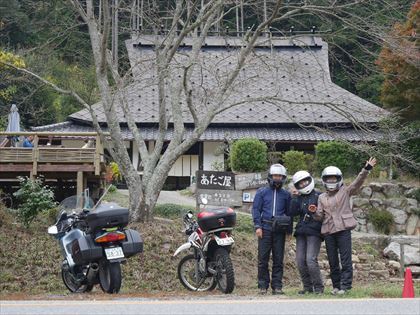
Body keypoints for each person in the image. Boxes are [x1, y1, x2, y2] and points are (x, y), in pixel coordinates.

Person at [312, 157, 377, 295]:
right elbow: (319, 216)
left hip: (343, 230)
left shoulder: (345, 191)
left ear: (339, 179)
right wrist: (313, 212)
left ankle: (345, 286)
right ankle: (336, 286)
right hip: (328, 231)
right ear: (324, 180)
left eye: (334, 178)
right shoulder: (321, 197)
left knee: (345, 259)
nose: (331, 181)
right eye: (328, 179)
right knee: (333, 260)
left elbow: (358, 182)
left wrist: (366, 169)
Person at [252, 164, 292, 295]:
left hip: (280, 230)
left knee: (278, 259)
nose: (277, 178)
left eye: (280, 176)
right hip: (265, 228)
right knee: (263, 259)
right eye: (275, 176)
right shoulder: (261, 192)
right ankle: (263, 286)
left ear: (283, 178)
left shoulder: (286, 194)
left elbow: (289, 213)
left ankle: (277, 286)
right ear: (270, 176)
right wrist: (258, 226)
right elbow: (256, 210)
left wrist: (288, 231)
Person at [289, 170, 324, 294]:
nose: (303, 185)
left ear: (310, 180)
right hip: (301, 231)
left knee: (310, 259)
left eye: (305, 182)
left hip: (315, 231)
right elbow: (292, 213)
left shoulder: (319, 195)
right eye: (300, 183)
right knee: (300, 260)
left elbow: (324, 214)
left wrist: (315, 211)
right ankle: (307, 287)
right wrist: (294, 197)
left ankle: (318, 288)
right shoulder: (299, 198)